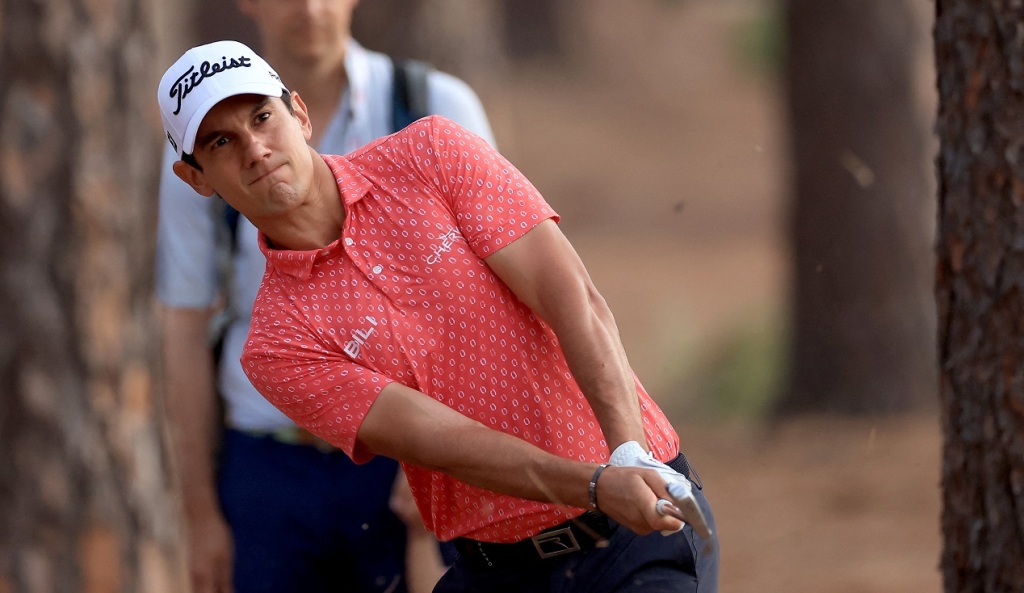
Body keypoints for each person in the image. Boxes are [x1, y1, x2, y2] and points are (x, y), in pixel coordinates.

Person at [157, 40, 719, 593]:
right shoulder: (278, 347)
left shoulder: (431, 152)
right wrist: (598, 484)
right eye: (222, 141)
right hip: (502, 570)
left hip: (639, 530)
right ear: (197, 178)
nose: (255, 148)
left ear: (299, 113)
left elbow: (571, 297)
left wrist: (628, 455)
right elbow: (444, 441)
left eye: (262, 117)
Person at [155, 2, 494, 592]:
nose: (309, 8)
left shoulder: (432, 106)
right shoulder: (195, 146)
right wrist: (200, 512)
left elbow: (489, 296)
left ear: (298, 116)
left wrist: (448, 455)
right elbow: (183, 327)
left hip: (411, 454)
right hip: (268, 464)